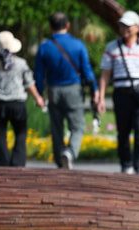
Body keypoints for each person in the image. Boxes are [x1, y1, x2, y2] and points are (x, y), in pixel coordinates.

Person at [98, 10, 139, 174]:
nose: (124, 28)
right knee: (123, 131)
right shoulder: (111, 47)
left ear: (137, 27)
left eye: (128, 25)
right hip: (121, 92)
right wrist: (100, 97)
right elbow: (105, 75)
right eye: (122, 25)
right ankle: (126, 164)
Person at [34, 12, 99, 170]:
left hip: (53, 90)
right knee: (77, 126)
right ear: (68, 25)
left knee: (57, 127)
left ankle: (59, 160)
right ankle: (70, 152)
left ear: (50, 27)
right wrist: (94, 90)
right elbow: (87, 71)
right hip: (73, 90)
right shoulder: (78, 45)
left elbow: (39, 74)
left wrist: (39, 94)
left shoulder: (44, 47)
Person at [0, 31, 45, 167]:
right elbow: (29, 84)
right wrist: (38, 98)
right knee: (20, 133)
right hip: (17, 103)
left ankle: (3, 163)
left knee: (0, 134)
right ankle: (18, 162)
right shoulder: (21, 63)